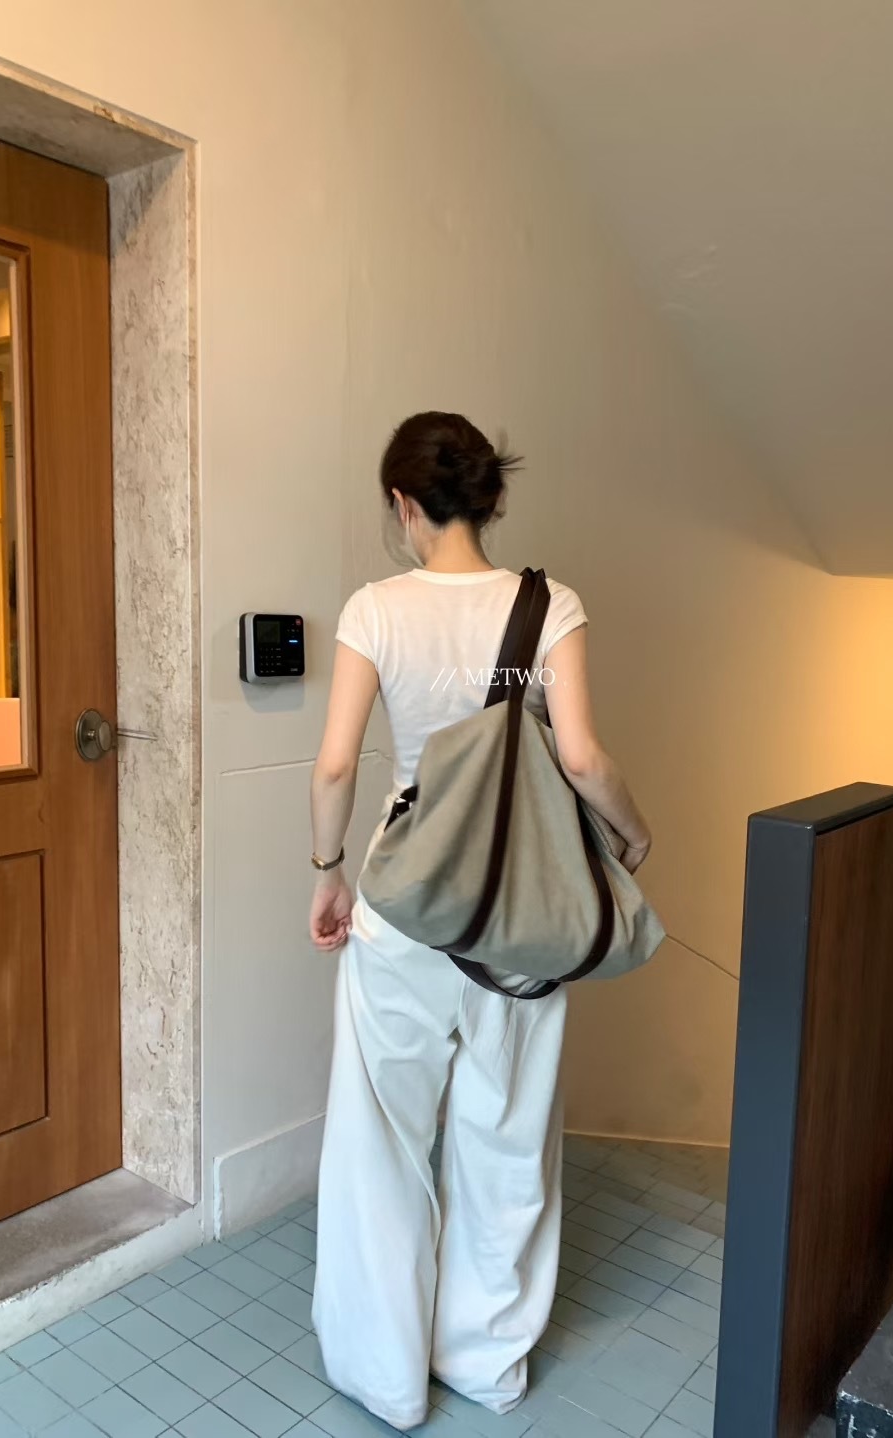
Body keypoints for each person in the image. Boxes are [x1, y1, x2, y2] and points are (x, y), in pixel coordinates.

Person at [308, 412, 652, 1431]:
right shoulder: (550, 605)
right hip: (517, 910)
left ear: (403, 504)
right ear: (489, 498)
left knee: (381, 1139)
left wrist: (328, 873)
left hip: (402, 905)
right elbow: (580, 758)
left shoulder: (375, 608)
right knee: (507, 1137)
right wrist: (633, 836)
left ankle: (386, 1377)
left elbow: (335, 766)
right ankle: (485, 1365)